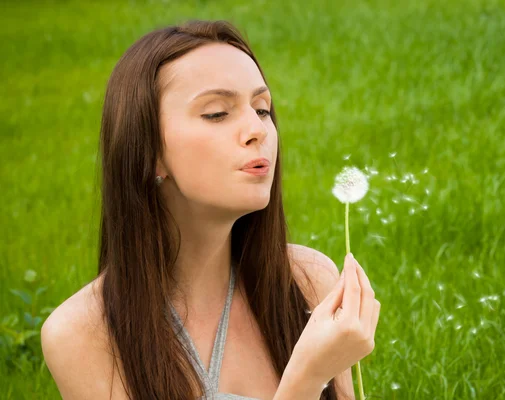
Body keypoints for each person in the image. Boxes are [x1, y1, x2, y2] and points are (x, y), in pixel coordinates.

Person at [40, 19, 381, 400]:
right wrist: (306, 377)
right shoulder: (82, 333)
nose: (258, 129)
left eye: (262, 109)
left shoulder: (306, 281)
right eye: (217, 113)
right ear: (148, 151)